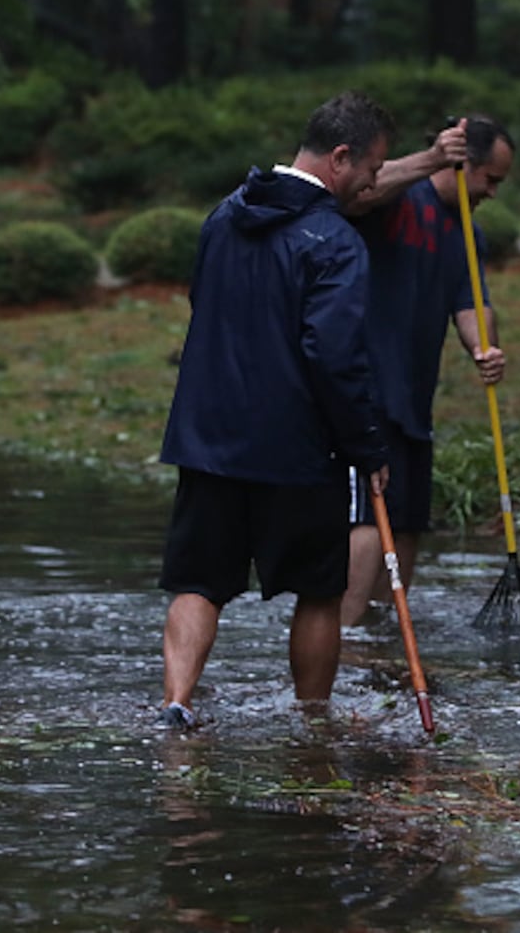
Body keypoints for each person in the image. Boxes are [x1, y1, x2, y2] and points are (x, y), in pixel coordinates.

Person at [156, 91, 395, 728]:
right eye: (371, 170)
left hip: (208, 439)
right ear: (341, 158)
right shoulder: (336, 241)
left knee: (198, 582)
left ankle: (175, 705)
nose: (373, 184)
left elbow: (201, 305)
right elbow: (335, 355)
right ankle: (313, 722)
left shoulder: (222, 217)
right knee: (319, 591)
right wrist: (368, 447)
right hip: (297, 448)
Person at [338, 115, 515, 627]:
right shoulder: (396, 198)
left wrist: (485, 347)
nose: (493, 193)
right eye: (492, 179)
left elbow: (472, 301)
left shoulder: (466, 231)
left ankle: (385, 633)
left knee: (410, 518)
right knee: (371, 517)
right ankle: (344, 638)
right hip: (366, 391)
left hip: (416, 399)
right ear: (465, 165)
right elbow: (357, 193)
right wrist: (433, 158)